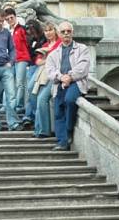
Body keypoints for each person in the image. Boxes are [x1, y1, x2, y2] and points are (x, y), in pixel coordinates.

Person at [45, 20, 90, 151]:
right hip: (59, 83)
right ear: (59, 34)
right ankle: (62, 142)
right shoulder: (53, 54)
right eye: (63, 32)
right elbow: (50, 71)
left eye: (68, 31)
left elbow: (83, 67)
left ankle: (69, 129)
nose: (66, 34)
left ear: (72, 33)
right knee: (58, 110)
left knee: (70, 100)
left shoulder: (82, 49)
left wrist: (69, 77)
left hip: (76, 82)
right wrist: (61, 77)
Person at [30, 21, 61, 138]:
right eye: (46, 31)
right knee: (36, 96)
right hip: (43, 74)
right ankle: (39, 129)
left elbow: (57, 60)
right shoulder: (44, 46)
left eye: (50, 30)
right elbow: (37, 61)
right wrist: (47, 58)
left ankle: (44, 130)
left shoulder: (59, 43)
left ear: (55, 31)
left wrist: (47, 57)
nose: (48, 33)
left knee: (42, 99)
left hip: (55, 76)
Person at [4, 7, 32, 120]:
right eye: (8, 18)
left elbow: (27, 43)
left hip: (22, 58)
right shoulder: (7, 31)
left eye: (12, 17)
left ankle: (19, 105)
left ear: (15, 17)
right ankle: (9, 104)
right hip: (11, 59)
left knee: (20, 83)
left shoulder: (21, 29)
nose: (10, 20)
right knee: (10, 83)